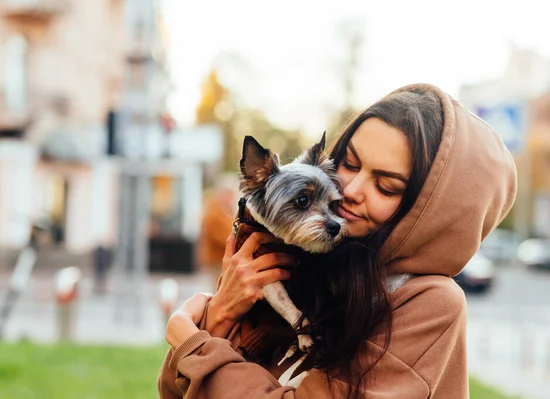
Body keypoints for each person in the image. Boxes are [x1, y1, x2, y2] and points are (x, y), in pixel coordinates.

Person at [157, 83, 517, 399]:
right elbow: (174, 391)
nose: (352, 191)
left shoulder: (428, 303)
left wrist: (195, 343)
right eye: (349, 162)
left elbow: (196, 374)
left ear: (430, 212)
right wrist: (220, 314)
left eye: (386, 186)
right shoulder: (297, 260)